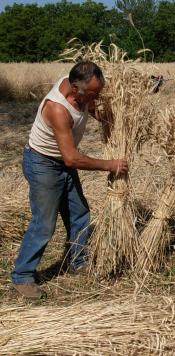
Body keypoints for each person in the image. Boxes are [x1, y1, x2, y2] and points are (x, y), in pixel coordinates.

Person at [11, 61, 128, 300]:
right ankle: (22, 276)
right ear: (75, 88)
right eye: (94, 93)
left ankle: (78, 261)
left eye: (99, 91)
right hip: (43, 163)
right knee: (44, 224)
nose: (97, 97)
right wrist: (110, 164)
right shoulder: (58, 109)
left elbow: (92, 108)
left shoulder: (81, 87)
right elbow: (72, 158)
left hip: (61, 161)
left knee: (79, 213)